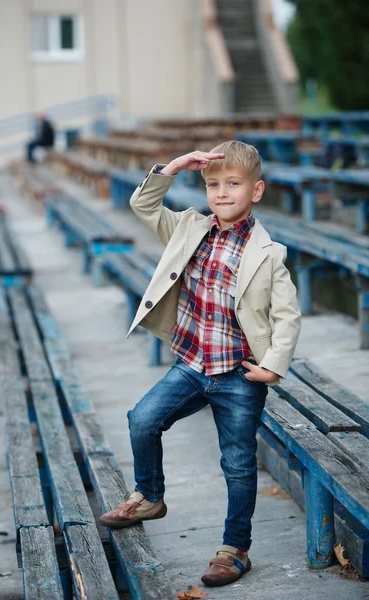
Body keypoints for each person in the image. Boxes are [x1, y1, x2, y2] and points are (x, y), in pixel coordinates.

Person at [99, 141, 301, 587]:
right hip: (191, 365)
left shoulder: (269, 254)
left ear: (257, 190)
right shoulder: (188, 228)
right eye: (213, 184)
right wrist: (173, 167)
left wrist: (273, 366)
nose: (222, 193)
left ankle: (234, 550)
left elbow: (287, 315)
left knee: (238, 463)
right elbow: (143, 202)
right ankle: (150, 496)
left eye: (233, 184)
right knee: (142, 420)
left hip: (237, 376)